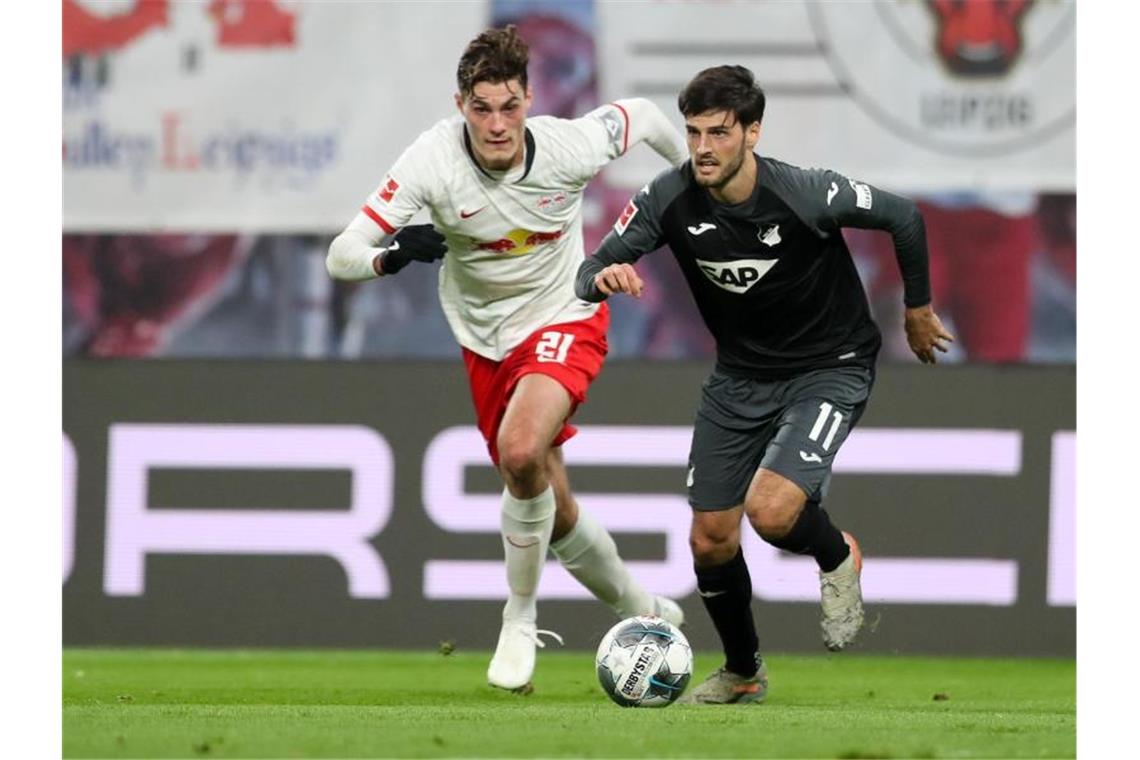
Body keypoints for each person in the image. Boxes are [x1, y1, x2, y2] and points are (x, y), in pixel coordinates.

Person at [325, 25, 688, 694]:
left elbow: (645, 116)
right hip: (485, 338)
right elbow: (341, 254)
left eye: (510, 106)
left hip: (565, 314)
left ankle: (518, 618)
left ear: (530, 99)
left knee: (521, 453)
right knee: (551, 498)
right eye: (482, 108)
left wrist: (693, 183)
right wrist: (392, 253)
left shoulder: (566, 146)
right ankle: (643, 610)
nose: (497, 124)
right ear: (461, 104)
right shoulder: (431, 161)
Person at [575, 65, 953, 705]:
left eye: (719, 133)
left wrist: (916, 310)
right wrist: (605, 277)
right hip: (740, 376)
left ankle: (838, 557)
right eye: (693, 132)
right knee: (710, 538)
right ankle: (743, 671)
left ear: (753, 132)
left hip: (830, 365)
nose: (701, 148)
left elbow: (905, 217)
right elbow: (590, 269)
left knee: (773, 512)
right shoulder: (668, 198)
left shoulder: (807, 194)